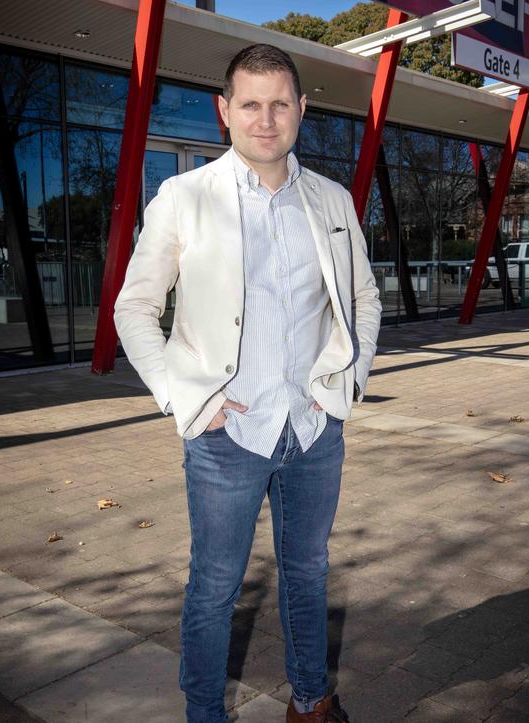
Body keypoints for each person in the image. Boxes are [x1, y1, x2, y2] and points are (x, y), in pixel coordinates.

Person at [114, 43, 381, 723]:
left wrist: (346, 385)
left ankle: (310, 700)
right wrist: (182, 400)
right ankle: (205, 713)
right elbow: (134, 307)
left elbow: (364, 297)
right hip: (226, 434)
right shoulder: (184, 197)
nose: (267, 119)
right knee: (213, 587)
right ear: (225, 110)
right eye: (252, 103)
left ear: (302, 110)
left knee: (308, 573)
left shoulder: (330, 200)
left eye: (281, 103)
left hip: (313, 429)